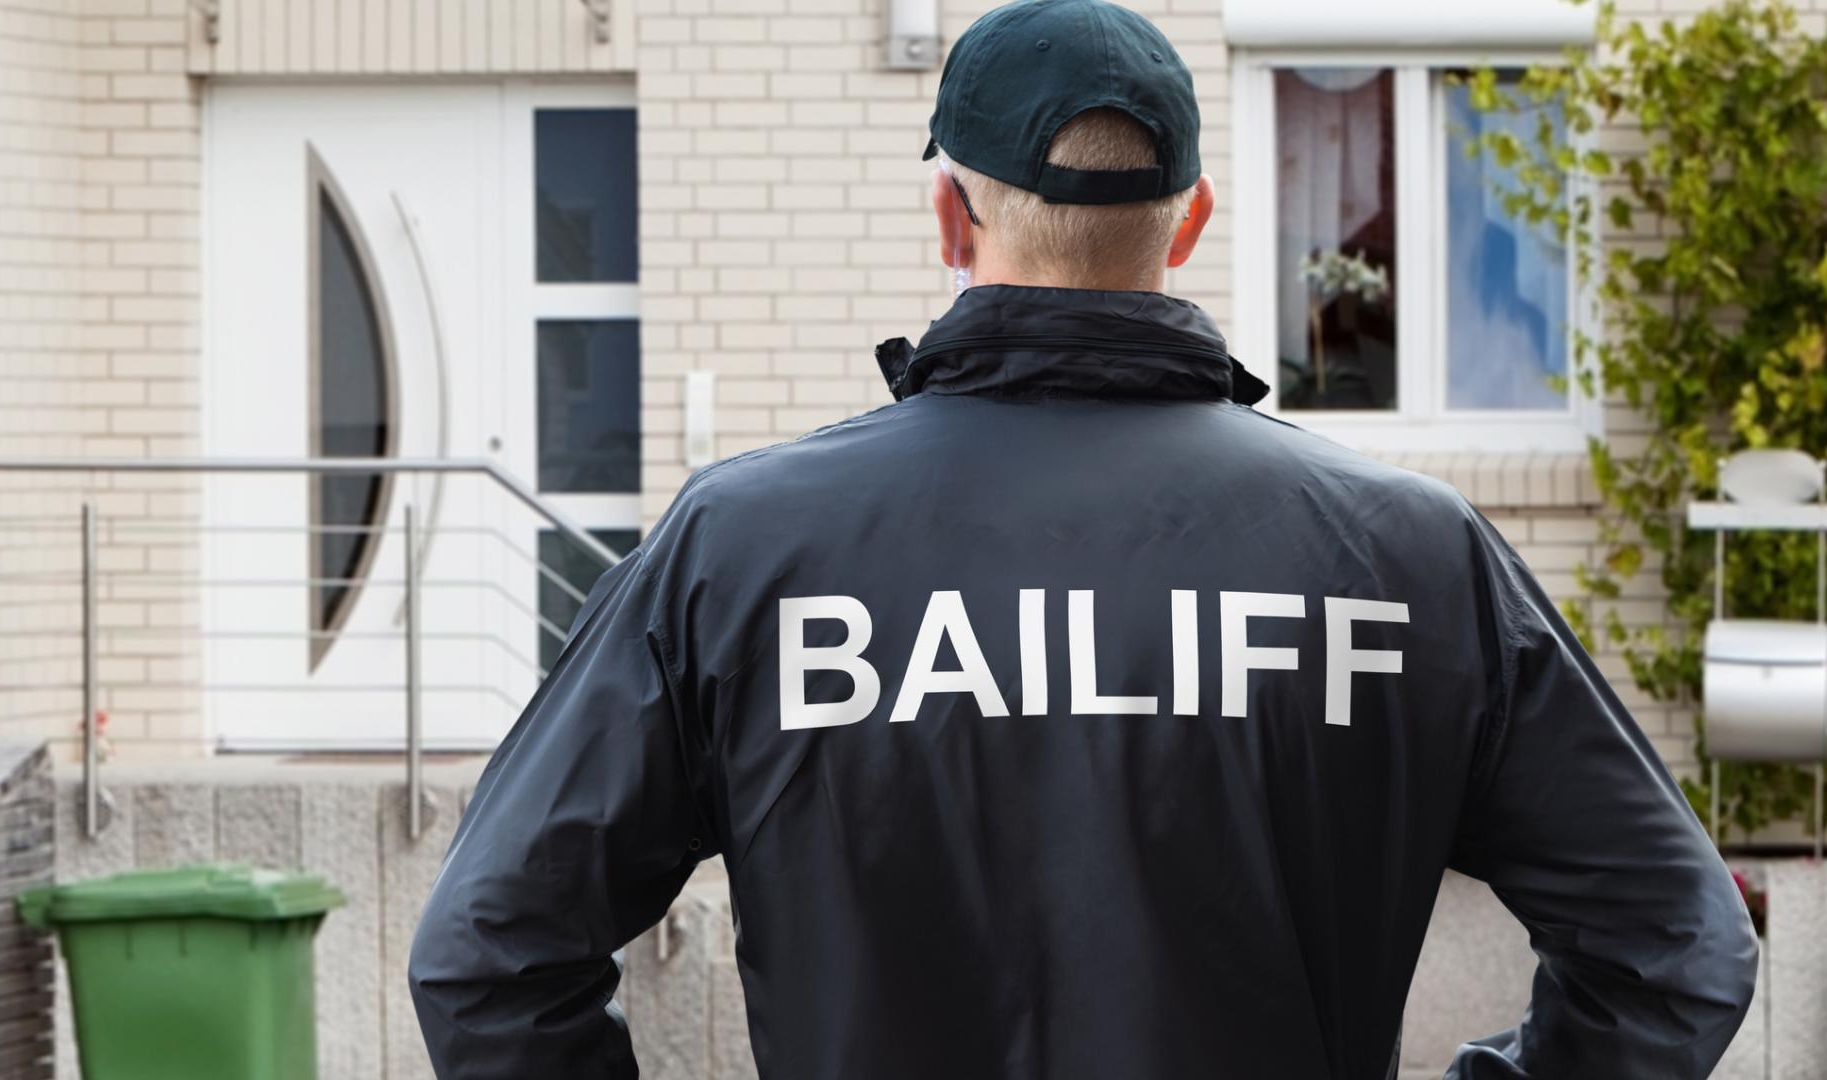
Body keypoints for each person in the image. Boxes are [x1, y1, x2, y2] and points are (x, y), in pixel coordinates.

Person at [408, 1, 1759, 1076]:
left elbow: (490, 953)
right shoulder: (1409, 556)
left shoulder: (740, 551)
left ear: (950, 216)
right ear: (1191, 220)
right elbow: (1676, 944)